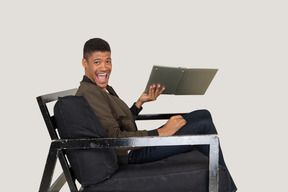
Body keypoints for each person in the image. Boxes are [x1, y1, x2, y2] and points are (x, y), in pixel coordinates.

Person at [75, 38, 237, 192]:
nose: (104, 67)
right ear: (85, 63)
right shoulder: (90, 94)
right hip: (132, 152)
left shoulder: (100, 89)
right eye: (97, 62)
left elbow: (119, 122)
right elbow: (114, 138)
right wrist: (161, 132)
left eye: (108, 61)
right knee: (203, 125)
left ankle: (225, 185)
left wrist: (140, 102)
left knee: (203, 114)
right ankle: (228, 188)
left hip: (134, 145)